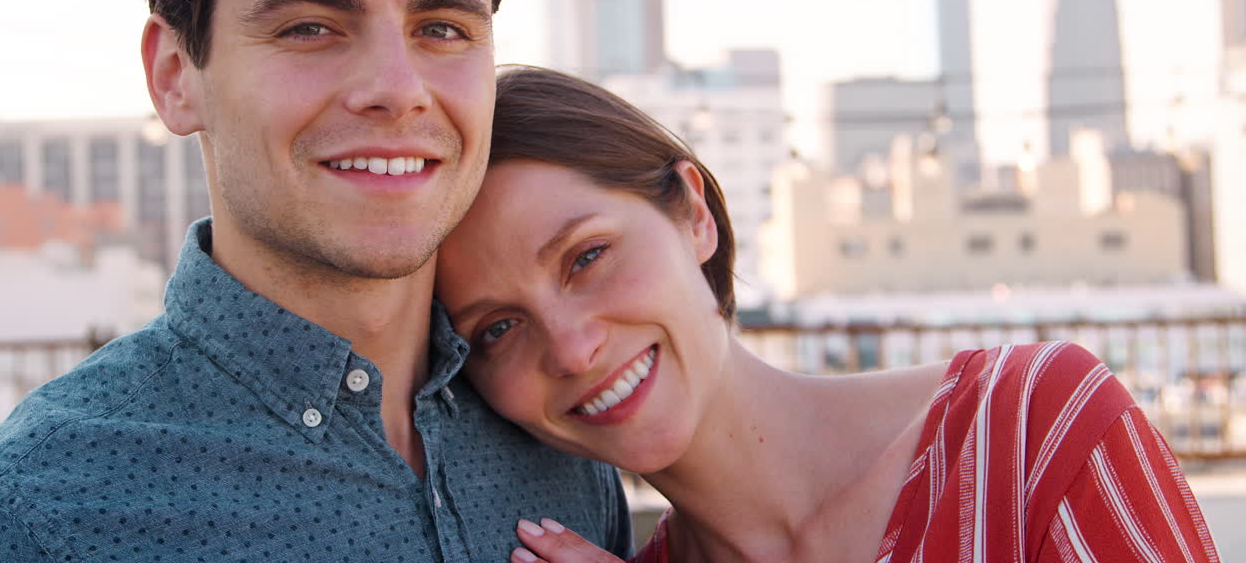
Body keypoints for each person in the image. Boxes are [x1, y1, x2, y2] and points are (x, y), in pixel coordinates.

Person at [0, 0, 632, 560]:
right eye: (309, 26)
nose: (397, 87)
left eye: (441, 27)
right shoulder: (33, 515)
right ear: (174, 75)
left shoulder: (563, 433)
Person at [434, 66, 1222, 563]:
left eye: (587, 257)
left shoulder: (1031, 433)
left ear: (694, 215)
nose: (570, 349)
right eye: (497, 329)